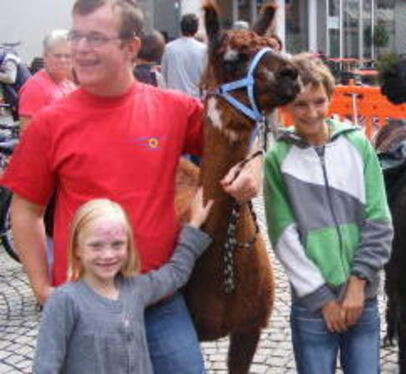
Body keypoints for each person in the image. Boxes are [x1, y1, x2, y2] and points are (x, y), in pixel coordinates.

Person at [0, 1, 261, 373]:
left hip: (159, 297)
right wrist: (42, 287)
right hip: (85, 304)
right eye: (77, 36)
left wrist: (257, 162)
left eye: (96, 37)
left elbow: (232, 142)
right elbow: (25, 211)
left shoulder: (173, 109)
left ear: (131, 48)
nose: (81, 48)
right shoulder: (49, 124)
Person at [264, 53, 393, 374]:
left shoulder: (358, 145)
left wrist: (358, 283)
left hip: (362, 296)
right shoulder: (278, 159)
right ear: (286, 106)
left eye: (319, 102)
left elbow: (379, 219)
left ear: (331, 97)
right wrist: (323, 300)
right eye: (300, 104)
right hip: (312, 305)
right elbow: (284, 239)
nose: (311, 113)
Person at [33, 190, 213, 373]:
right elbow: (45, 365)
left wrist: (194, 224)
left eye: (117, 244)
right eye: (96, 246)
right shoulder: (64, 301)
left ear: (129, 246)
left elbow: (174, 274)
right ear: (77, 249)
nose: (108, 255)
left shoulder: (136, 289)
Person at [18, 29, 77, 132]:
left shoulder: (69, 85)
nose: (63, 60)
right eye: (57, 56)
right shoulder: (35, 88)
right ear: (45, 56)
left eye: (68, 56)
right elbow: (28, 135)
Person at [161, 13, 207, 98]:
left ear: (181, 28)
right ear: (196, 29)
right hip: (195, 100)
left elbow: (163, 76)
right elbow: (206, 79)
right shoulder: (204, 50)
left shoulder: (169, 48)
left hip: (174, 99)